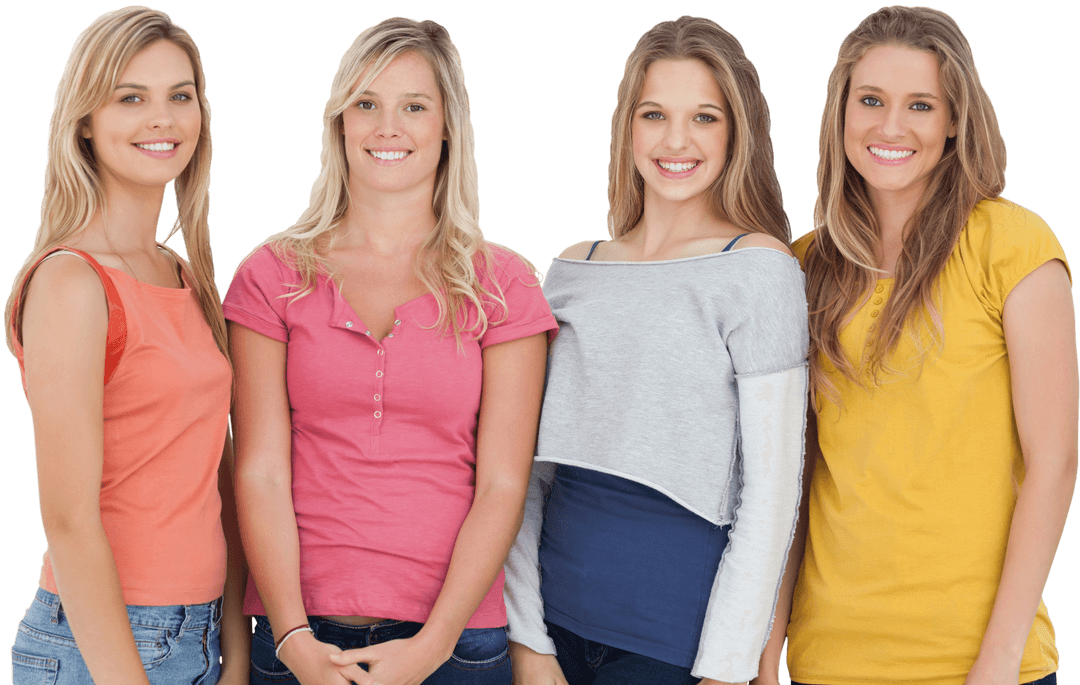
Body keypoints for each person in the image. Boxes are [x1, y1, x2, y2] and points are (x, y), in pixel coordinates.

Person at [224, 16, 555, 685]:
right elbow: (258, 469)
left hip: (455, 644)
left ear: (446, 126)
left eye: (413, 106)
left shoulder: (506, 284)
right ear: (339, 122)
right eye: (366, 104)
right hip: (298, 640)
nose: (387, 127)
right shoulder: (271, 274)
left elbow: (502, 485)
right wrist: (290, 635)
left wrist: (434, 643)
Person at [764, 6, 1077, 685]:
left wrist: (996, 660)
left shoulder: (1014, 246)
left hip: (981, 665)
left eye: (921, 105)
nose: (891, 127)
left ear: (954, 119)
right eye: (871, 100)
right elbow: (788, 481)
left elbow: (1055, 462)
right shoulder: (802, 267)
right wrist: (767, 650)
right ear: (840, 112)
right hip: (830, 661)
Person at [504, 15, 807, 685]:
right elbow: (524, 476)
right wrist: (528, 640)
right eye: (654, 115)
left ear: (737, 131)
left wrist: (727, 668)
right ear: (627, 127)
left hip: (672, 644)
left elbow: (774, 491)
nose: (676, 141)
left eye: (704, 117)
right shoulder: (571, 269)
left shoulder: (760, 269)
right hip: (553, 629)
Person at [6, 6, 248, 685]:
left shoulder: (184, 273)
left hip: (197, 635)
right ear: (85, 118)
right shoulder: (70, 281)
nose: (162, 119)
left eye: (181, 95)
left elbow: (217, 478)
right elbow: (69, 518)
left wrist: (233, 642)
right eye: (130, 97)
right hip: (99, 646)